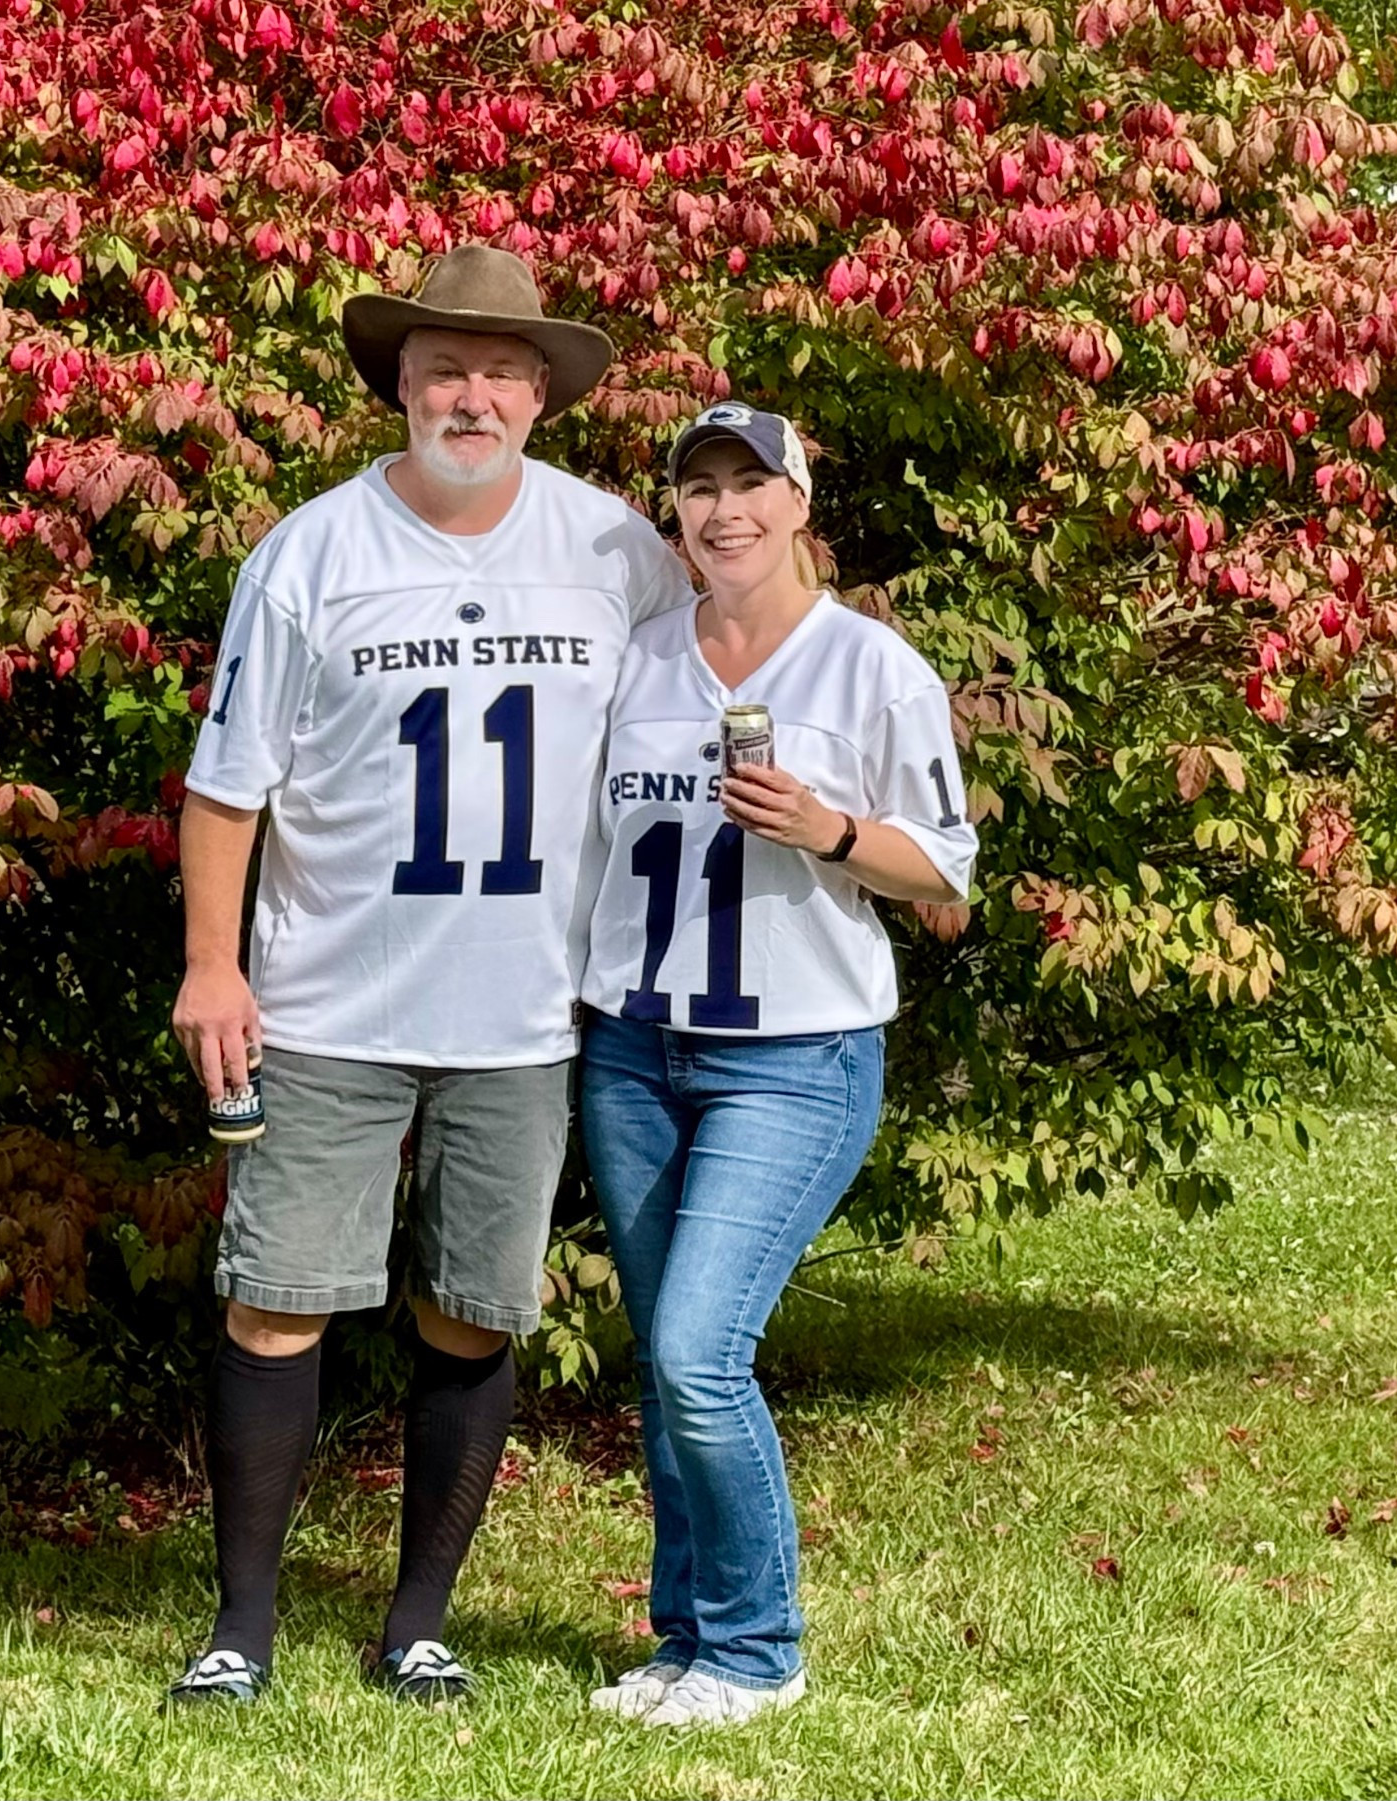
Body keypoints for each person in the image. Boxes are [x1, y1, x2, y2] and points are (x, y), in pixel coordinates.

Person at [166, 246, 695, 1705]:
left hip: (521, 1014)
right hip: (327, 1000)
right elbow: (227, 790)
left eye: (502, 372)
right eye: (445, 369)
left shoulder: (615, 553)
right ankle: (242, 1626)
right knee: (278, 1301)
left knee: (474, 1310)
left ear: (542, 395)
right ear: (400, 385)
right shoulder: (310, 553)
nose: (473, 395)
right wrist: (213, 967)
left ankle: (417, 1622)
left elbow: (700, 712)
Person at [576, 403, 979, 1727]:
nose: (724, 510)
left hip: (792, 1056)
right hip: (634, 1045)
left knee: (701, 1348)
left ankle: (757, 1650)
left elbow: (949, 883)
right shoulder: (634, 659)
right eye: (699, 487)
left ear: (802, 505)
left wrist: (828, 824)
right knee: (662, 1353)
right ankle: (685, 1637)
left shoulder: (872, 672)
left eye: (753, 484)